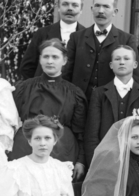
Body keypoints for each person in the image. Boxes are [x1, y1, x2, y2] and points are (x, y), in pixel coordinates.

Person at [11, 39, 87, 187]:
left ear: (64, 60)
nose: (50, 61)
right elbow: (11, 121)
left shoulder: (74, 93)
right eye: (46, 56)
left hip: (62, 147)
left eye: (55, 57)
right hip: (27, 144)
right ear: (40, 59)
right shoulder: (24, 88)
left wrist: (81, 160)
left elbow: (81, 131)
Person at [83, 45, 139, 165]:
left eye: (126, 58)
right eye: (117, 59)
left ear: (135, 64)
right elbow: (92, 133)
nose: (122, 62)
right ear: (111, 65)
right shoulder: (99, 94)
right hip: (105, 159)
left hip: (135, 161)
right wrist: (94, 163)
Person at [64, 0, 139, 98]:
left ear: (115, 12)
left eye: (106, 6)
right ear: (92, 9)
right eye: (97, 6)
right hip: (79, 100)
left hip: (111, 101)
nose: (100, 11)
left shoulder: (127, 39)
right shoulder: (76, 38)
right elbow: (66, 73)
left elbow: (135, 77)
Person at [18, 0, 86, 80]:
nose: (70, 8)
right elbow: (27, 67)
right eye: (65, 4)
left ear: (81, 9)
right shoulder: (42, 33)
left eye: (75, 5)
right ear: (58, 7)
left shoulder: (88, 36)